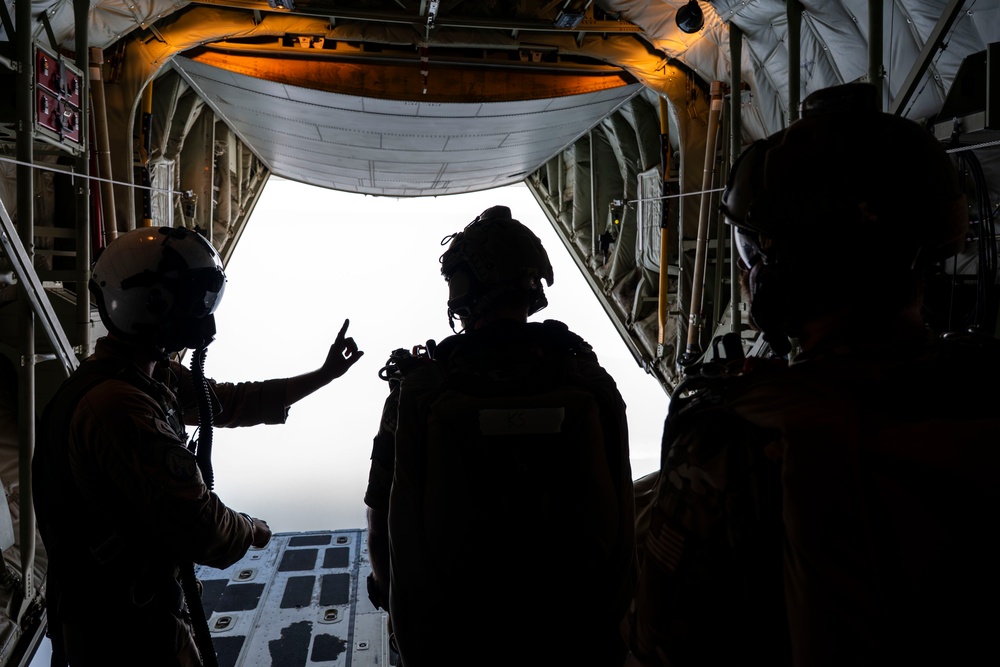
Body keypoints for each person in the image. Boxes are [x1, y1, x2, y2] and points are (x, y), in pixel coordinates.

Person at [623, 82, 997, 667]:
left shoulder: (732, 443)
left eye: (756, 254)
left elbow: (660, 649)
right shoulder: (985, 388)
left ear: (776, 272)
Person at [32, 225, 363, 667]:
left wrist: (323, 375)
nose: (203, 316)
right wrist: (253, 529)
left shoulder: (146, 377)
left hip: (140, 615)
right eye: (193, 301)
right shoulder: (117, 406)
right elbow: (204, 530)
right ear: (151, 305)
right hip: (120, 633)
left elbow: (229, 401)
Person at [364, 205, 636, 666]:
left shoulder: (419, 392)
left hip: (457, 644)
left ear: (463, 288)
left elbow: (381, 524)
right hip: (580, 640)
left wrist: (396, 608)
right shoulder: (588, 380)